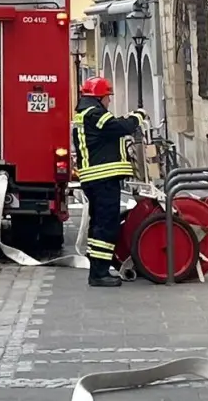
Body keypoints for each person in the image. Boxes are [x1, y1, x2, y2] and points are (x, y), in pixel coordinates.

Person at [72, 75, 146, 288]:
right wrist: (137, 117)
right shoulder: (95, 114)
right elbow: (120, 127)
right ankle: (99, 273)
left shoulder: (86, 113)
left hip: (97, 178)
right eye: (108, 97)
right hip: (102, 178)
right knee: (105, 225)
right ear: (100, 97)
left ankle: (99, 268)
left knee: (100, 224)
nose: (109, 101)